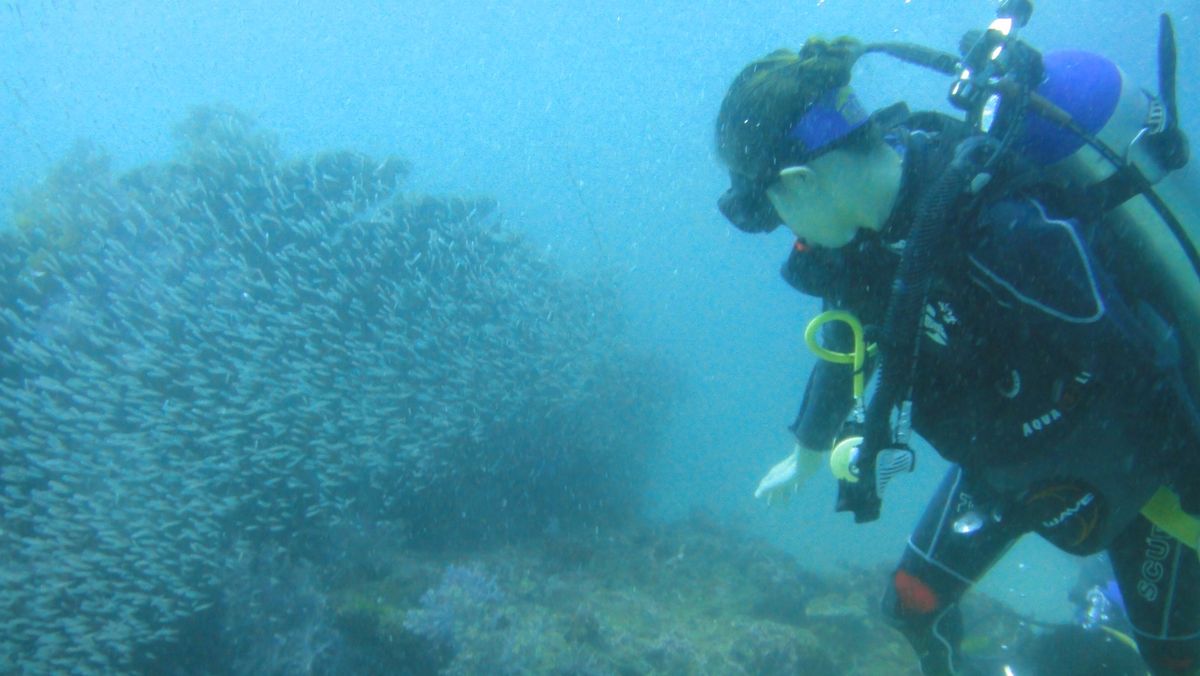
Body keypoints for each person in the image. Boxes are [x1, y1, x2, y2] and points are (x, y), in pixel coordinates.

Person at [715, 35, 1200, 675]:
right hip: (1002, 470)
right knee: (910, 606)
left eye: (775, 209)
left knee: (1176, 660)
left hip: (1134, 470)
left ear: (800, 182)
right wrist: (806, 452)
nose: (789, 232)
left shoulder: (997, 229)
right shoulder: (857, 251)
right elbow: (845, 341)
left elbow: (1143, 376)